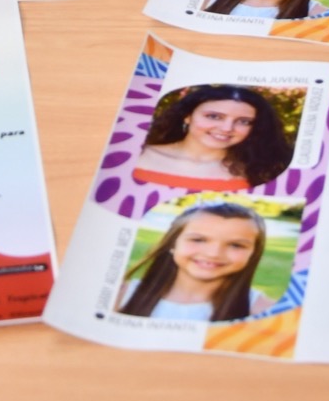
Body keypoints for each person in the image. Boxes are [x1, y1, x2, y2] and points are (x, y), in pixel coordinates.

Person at [117, 202, 272, 322]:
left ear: (253, 253)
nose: (213, 254)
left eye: (236, 245)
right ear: (172, 243)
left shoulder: (264, 310)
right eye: (198, 240)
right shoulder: (121, 295)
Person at [133, 83, 295, 189]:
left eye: (243, 121)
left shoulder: (261, 171)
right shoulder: (138, 154)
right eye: (214, 116)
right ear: (187, 116)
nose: (227, 128)